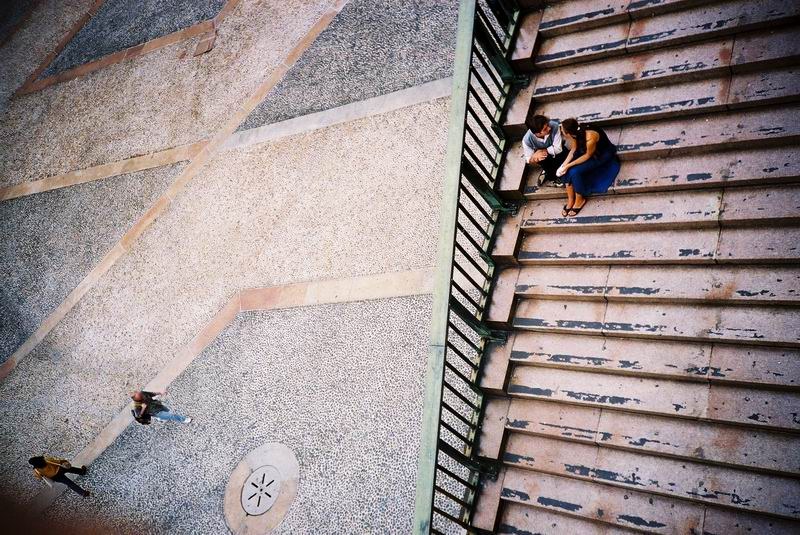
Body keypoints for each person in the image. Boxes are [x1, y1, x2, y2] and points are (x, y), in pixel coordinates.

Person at [556, 118, 621, 216]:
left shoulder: (590, 137)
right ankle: (571, 200)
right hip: (585, 151)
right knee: (567, 170)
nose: (561, 132)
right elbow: (574, 149)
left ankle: (580, 199)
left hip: (600, 155)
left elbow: (587, 155)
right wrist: (564, 165)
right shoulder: (574, 132)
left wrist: (569, 165)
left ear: (568, 133)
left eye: (562, 131)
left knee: (574, 171)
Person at [522, 114, 568, 186]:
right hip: (546, 158)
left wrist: (544, 150)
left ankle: (550, 173)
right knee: (541, 159)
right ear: (537, 133)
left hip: (560, 153)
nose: (549, 128)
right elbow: (528, 159)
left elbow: (558, 149)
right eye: (545, 129)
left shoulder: (554, 126)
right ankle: (553, 177)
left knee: (563, 157)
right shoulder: (526, 140)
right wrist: (534, 157)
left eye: (547, 125)